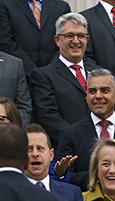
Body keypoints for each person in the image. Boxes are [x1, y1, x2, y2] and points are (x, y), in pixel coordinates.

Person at [29, 13, 100, 148]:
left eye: (81, 36)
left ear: (87, 39)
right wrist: (83, 139)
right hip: (68, 150)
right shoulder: (42, 76)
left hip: (103, 148)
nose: (76, 41)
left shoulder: (99, 72)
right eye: (69, 36)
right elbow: (48, 118)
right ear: (57, 40)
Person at [0, 0, 71, 74]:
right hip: (21, 75)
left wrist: (50, 70)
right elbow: (5, 41)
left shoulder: (62, 6)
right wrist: (32, 71)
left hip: (55, 74)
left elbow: (66, 41)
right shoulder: (3, 4)